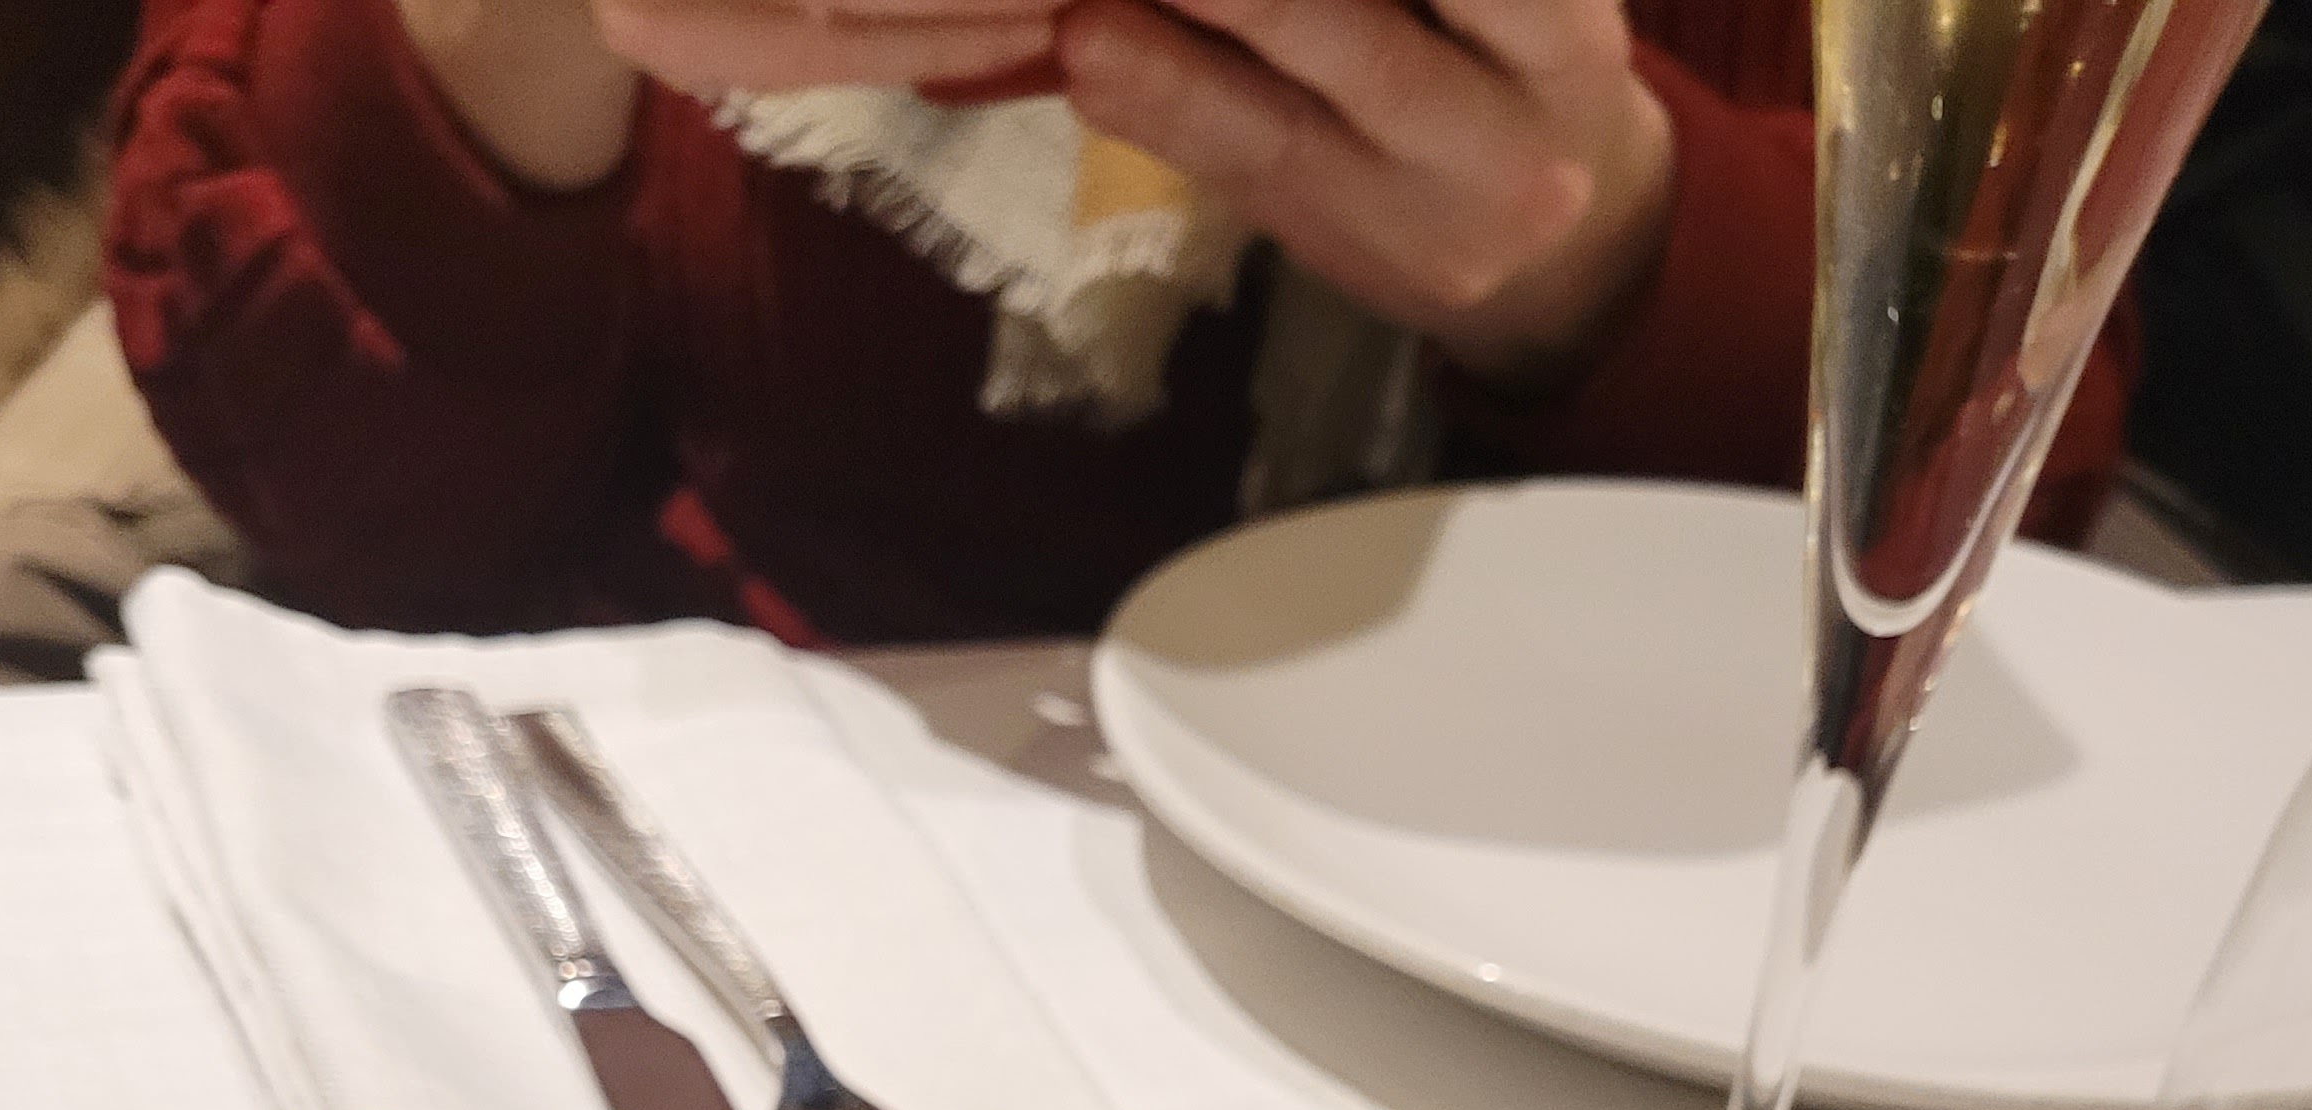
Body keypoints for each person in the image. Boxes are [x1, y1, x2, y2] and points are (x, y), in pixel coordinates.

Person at [108, 0, 2135, 647]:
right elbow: (354, 518)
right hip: (677, 787)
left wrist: (1613, 259)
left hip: (1564, 877)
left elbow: (2016, 515)